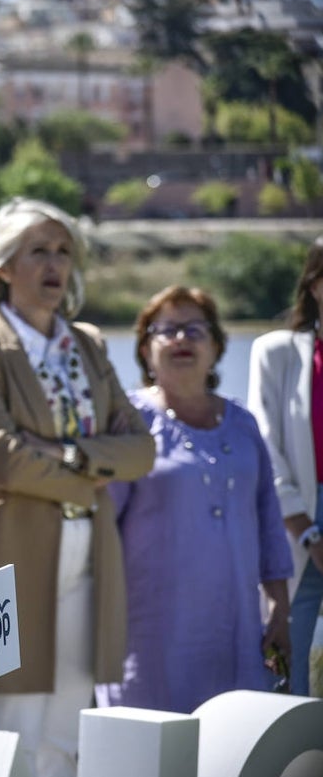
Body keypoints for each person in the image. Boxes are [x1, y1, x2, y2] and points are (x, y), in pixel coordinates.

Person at [0, 197, 154, 777]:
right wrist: (93, 468)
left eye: (63, 251)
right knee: (12, 726)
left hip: (89, 550)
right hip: (9, 552)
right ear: (4, 265)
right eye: (39, 250)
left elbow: (141, 451)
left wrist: (64, 455)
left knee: (68, 725)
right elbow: (2, 458)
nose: (55, 264)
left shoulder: (87, 343)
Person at [97, 285, 292, 713]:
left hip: (236, 629)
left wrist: (279, 608)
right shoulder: (127, 422)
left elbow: (268, 520)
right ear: (145, 350)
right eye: (166, 329)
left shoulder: (242, 423)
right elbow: (101, 528)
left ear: (218, 346)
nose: (181, 339)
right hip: (150, 635)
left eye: (194, 328)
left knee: (232, 756)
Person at [248, 236, 323, 696]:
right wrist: (308, 532)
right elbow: (265, 444)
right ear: (314, 284)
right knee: (284, 677)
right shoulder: (276, 352)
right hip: (295, 528)